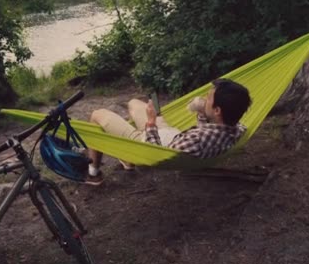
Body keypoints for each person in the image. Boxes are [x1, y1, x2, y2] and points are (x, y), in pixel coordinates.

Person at [84, 78, 252, 185]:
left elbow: (154, 153)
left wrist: (151, 123)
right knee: (134, 103)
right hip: (170, 134)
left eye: (208, 98)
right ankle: (128, 162)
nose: (204, 99)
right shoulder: (236, 129)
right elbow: (207, 132)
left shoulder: (195, 140)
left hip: (152, 143)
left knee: (97, 115)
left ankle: (94, 174)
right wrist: (202, 111)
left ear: (217, 111)